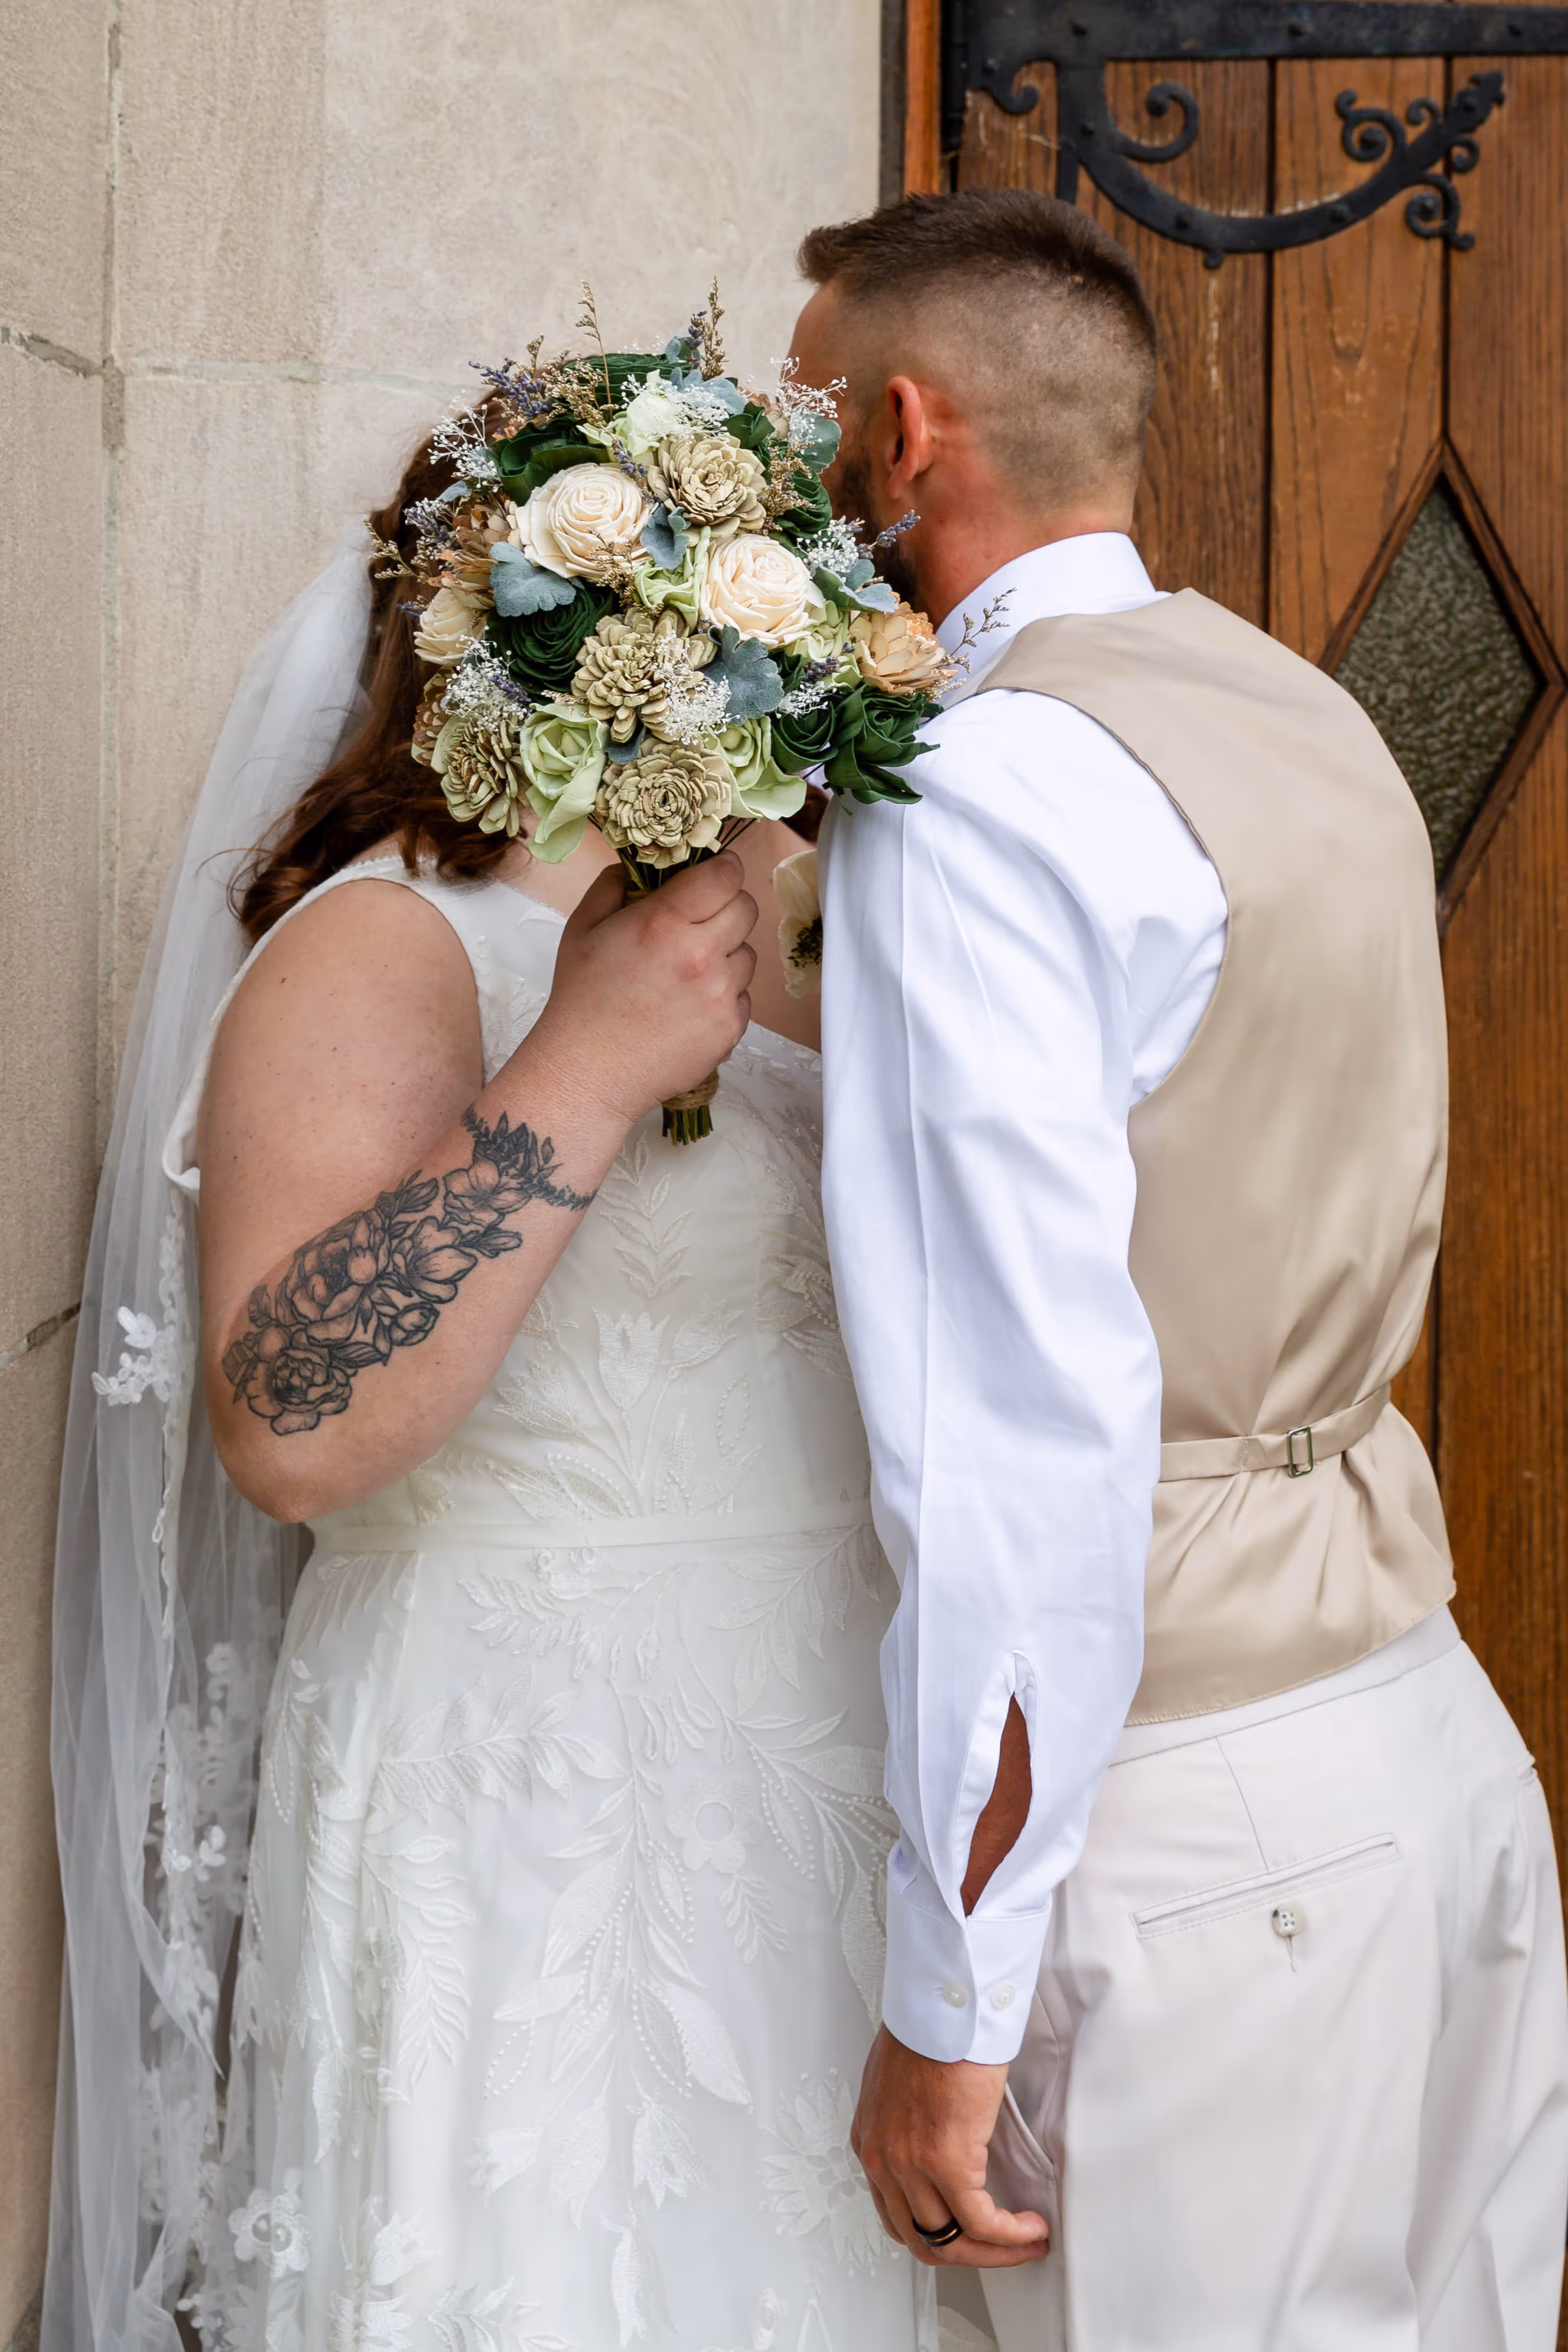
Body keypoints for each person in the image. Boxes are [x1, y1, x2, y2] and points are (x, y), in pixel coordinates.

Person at [46, 428, 933, 2351]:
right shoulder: (387, 943)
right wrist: (585, 1070)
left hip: (813, 1749)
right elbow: (287, 1424)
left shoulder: (773, 919)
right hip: (530, 1783)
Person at [790, 188, 1568, 2350]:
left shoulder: (969, 795)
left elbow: (1020, 1436)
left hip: (1197, 1831)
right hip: (1428, 1740)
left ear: (906, 435)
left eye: (807, 410)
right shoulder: (1299, 711)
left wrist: (952, 1990)